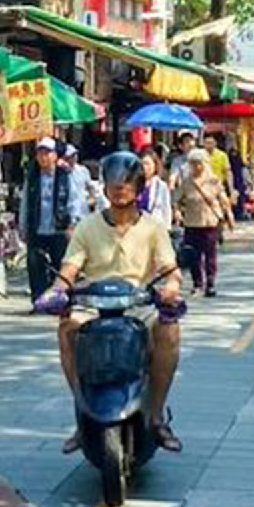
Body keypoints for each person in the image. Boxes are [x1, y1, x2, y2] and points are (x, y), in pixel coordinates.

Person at [39, 151, 185, 452]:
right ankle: (82, 414)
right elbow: (69, 268)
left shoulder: (153, 227)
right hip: (94, 306)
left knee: (169, 331)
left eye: (127, 183)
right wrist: (56, 290)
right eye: (114, 183)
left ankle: (157, 416)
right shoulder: (87, 226)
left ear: (139, 187)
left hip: (139, 305)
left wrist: (171, 287)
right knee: (67, 328)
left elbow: (171, 270)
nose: (120, 189)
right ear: (104, 187)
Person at [20, 138, 84, 302]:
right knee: (35, 265)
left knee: (61, 265)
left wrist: (73, 223)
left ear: (55, 155)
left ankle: (62, 300)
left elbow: (75, 200)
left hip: (59, 228)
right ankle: (38, 300)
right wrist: (23, 227)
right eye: (40, 153)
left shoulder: (65, 176)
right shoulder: (32, 176)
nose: (43, 157)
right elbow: (25, 202)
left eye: (47, 153)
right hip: (37, 228)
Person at [174, 148, 229, 296]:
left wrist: (227, 213)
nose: (196, 166)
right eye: (193, 163)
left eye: (199, 163)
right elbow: (177, 199)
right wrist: (177, 211)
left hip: (210, 222)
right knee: (193, 255)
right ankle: (197, 283)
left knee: (210, 254)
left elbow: (222, 197)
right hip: (191, 222)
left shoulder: (213, 180)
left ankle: (210, 283)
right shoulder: (186, 181)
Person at [139, 149, 173, 230]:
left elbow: (166, 208)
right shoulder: (134, 183)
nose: (145, 167)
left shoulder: (161, 186)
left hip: (155, 227)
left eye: (147, 164)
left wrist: (167, 228)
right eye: (142, 164)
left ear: (155, 165)